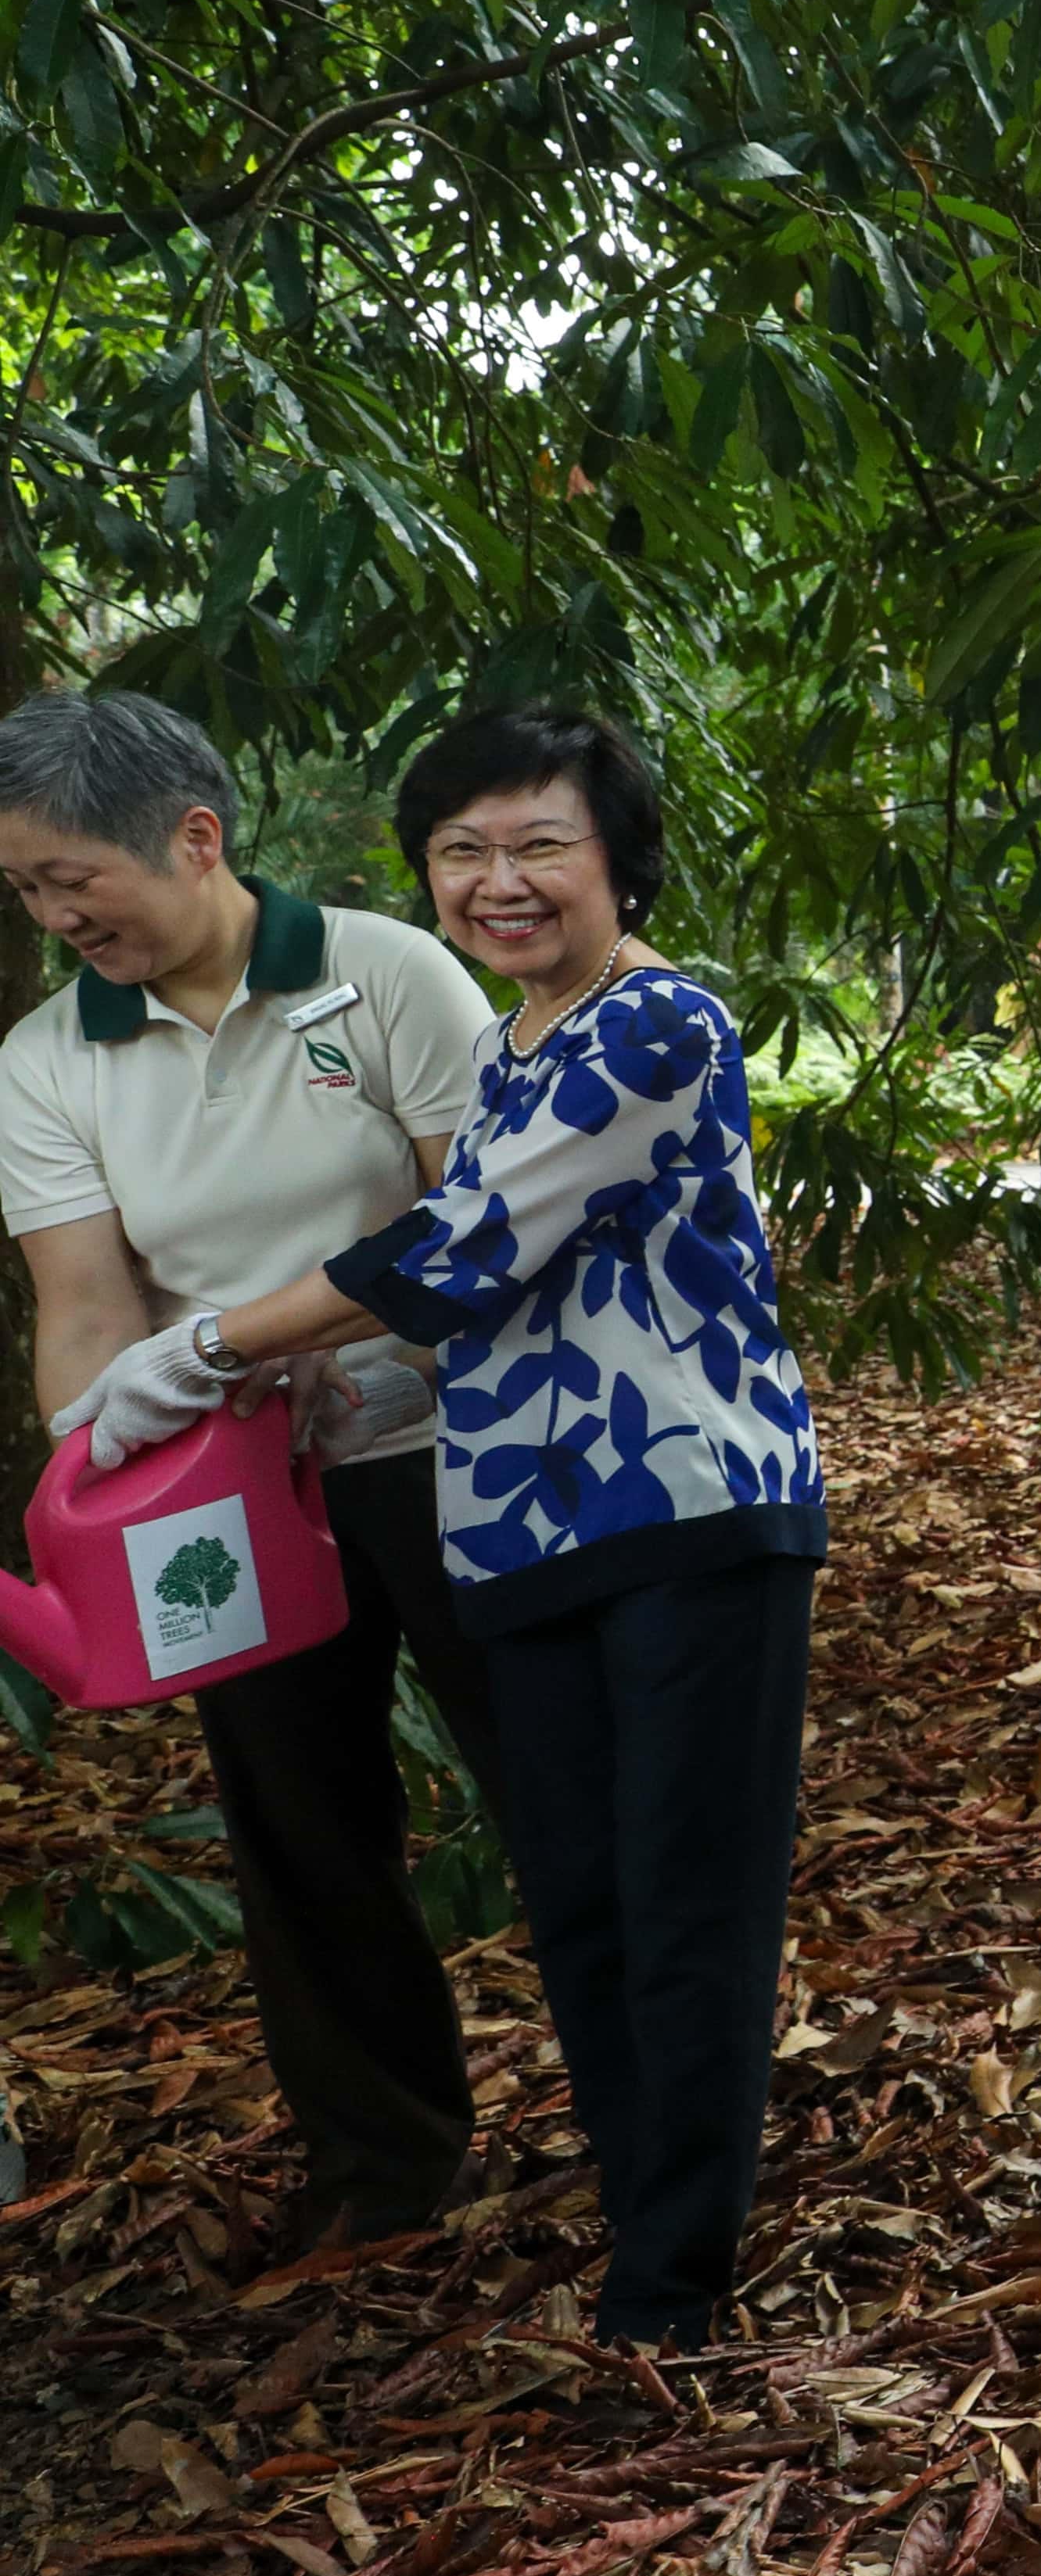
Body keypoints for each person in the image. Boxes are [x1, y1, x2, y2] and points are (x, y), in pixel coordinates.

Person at [64, 704, 827, 2352]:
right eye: (464, 851)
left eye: (543, 843)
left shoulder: (657, 1022)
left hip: (689, 1509)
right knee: (582, 1897)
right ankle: (645, 2225)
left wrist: (205, 1347)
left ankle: (675, 2281)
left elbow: (462, 1248)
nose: (501, 880)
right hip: (526, 1526)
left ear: (620, 857)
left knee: (684, 1896)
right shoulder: (526, 1038)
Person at [0, 693, 505, 2267]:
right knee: (298, 1819)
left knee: (556, 1769)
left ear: (197, 836)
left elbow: (480, 1224)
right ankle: (383, 2162)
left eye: (73, 873)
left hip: (446, 1445)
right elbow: (86, 1305)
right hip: (223, 1487)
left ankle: (658, 2127)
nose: (56, 912)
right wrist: (102, 1486)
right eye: (25, 889)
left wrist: (280, 1332)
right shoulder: (46, 1056)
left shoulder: (386, 972)